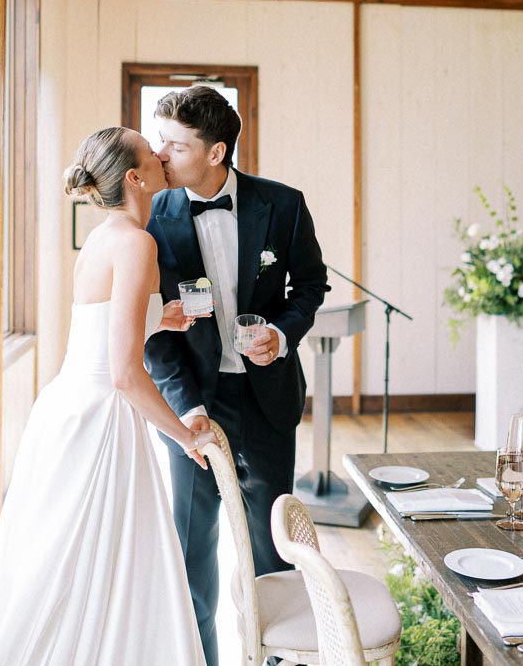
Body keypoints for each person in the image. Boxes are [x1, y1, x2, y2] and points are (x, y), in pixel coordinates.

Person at [0, 127, 214, 666]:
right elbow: (123, 373)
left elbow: (104, 329)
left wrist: (156, 317)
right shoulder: (137, 242)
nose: (164, 155)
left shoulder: (105, 236)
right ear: (135, 177)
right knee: (84, 562)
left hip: (70, 406)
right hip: (100, 418)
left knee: (64, 562)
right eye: (152, 152)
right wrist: (185, 434)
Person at [145, 86, 329, 666]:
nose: (160, 153)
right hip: (193, 405)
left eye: (174, 144)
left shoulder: (284, 204)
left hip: (267, 394)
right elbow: (153, 330)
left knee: (273, 543)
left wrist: (282, 335)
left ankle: (275, 658)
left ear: (216, 151)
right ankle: (203, 658)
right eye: (160, 140)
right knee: (192, 548)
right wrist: (185, 410)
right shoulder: (153, 218)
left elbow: (311, 286)